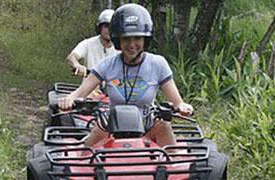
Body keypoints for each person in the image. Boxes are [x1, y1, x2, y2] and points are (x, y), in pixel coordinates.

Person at [58, 4, 193, 148]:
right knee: (85, 155)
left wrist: (182, 106)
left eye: (137, 39)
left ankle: (171, 167)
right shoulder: (107, 64)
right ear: (118, 40)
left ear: (145, 39)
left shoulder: (158, 63)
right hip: (111, 123)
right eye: (126, 39)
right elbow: (81, 91)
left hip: (149, 122)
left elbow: (177, 101)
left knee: (165, 129)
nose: (132, 44)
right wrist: (69, 99)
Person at [66, 9, 119, 77]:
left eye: (112, 27)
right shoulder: (88, 43)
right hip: (89, 85)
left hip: (113, 85)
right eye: (106, 26)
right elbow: (71, 57)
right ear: (100, 28)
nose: (109, 30)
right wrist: (77, 65)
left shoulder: (120, 47)